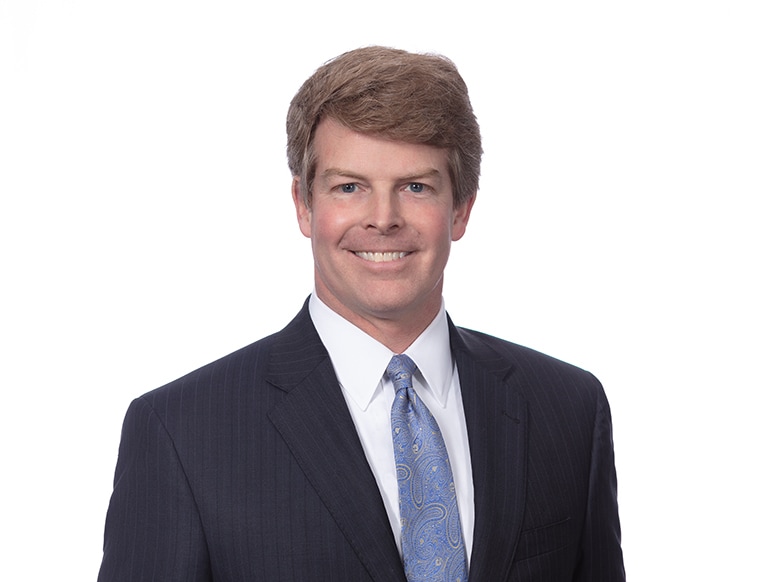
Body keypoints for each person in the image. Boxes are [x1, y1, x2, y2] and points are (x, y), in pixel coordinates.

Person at [98, 46, 625, 581]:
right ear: (304, 205)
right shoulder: (182, 433)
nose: (383, 219)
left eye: (415, 187)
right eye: (349, 187)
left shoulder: (568, 410)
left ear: (461, 208)